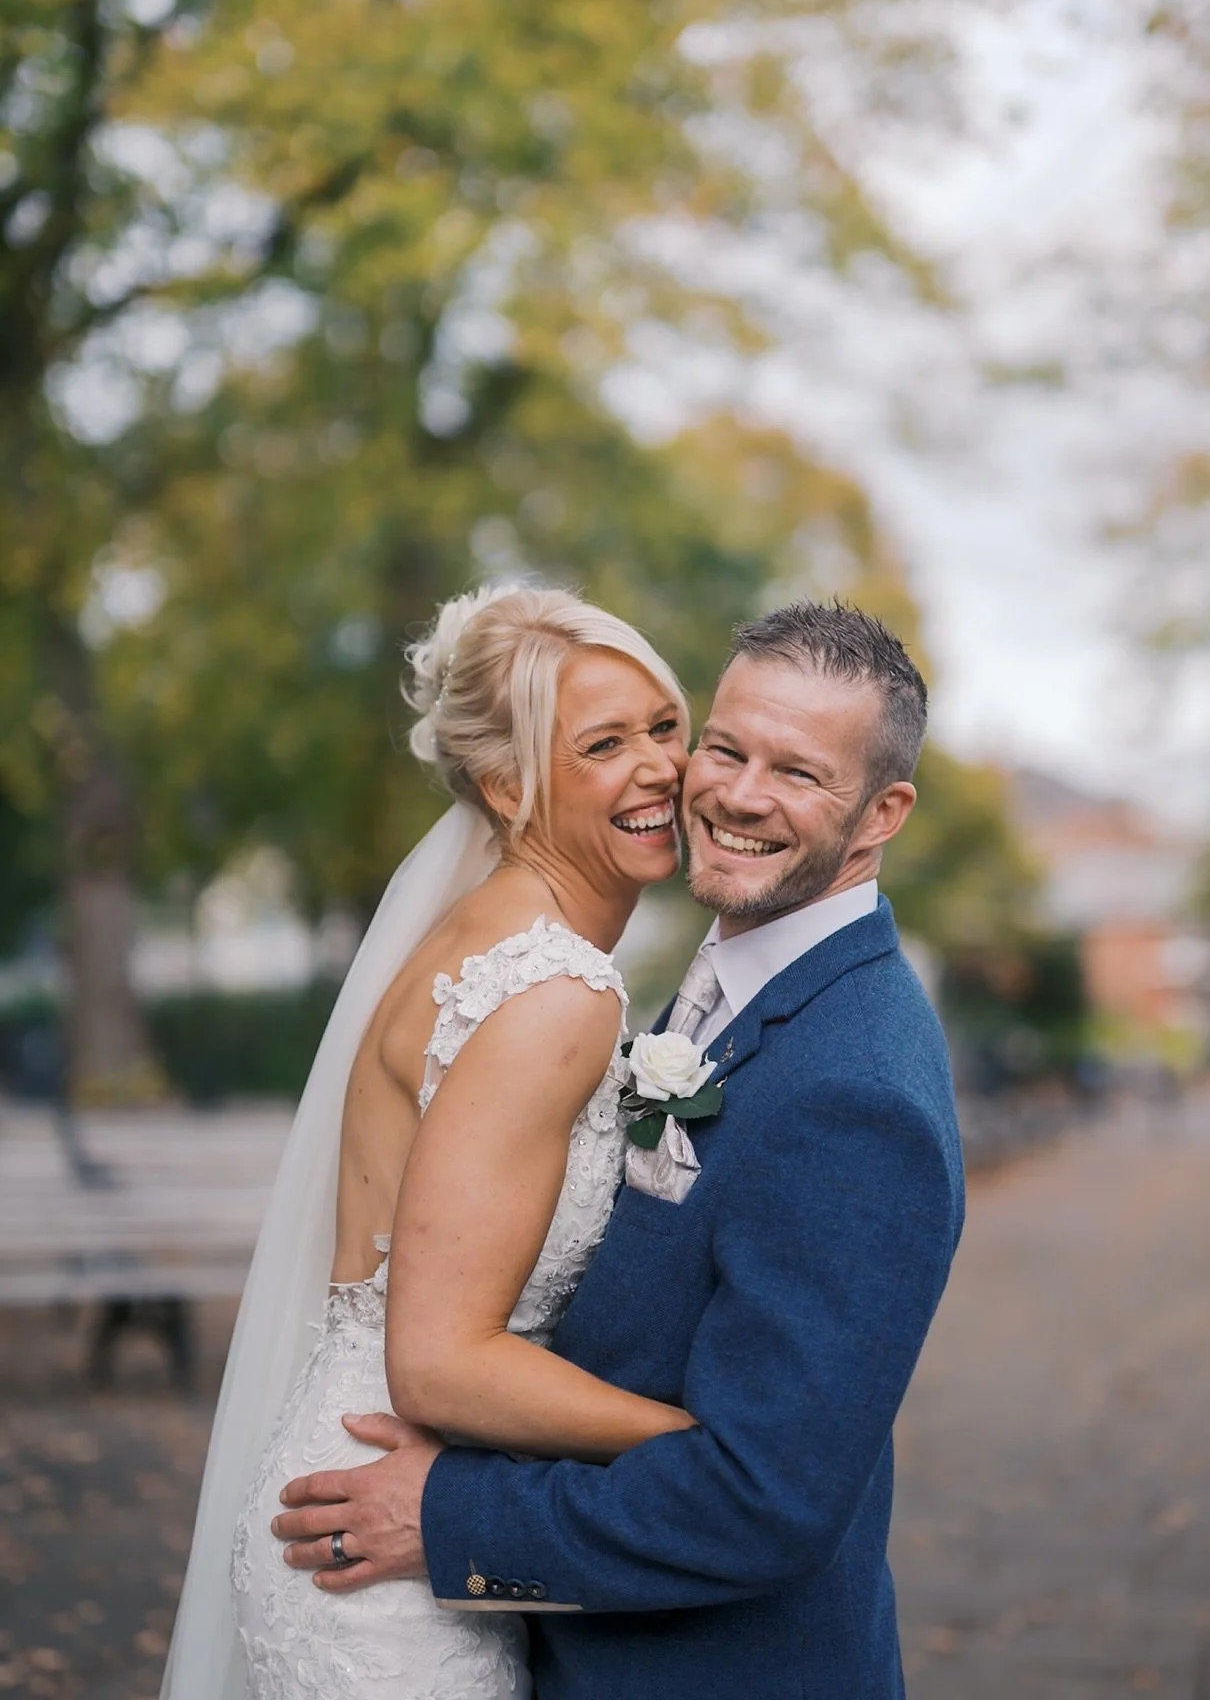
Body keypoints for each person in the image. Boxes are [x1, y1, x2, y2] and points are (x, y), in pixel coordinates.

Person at [273, 600, 966, 1700]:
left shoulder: (857, 1091)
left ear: (882, 813)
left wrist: (454, 1514)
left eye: (798, 774)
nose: (735, 793)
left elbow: (763, 1498)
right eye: (726, 747)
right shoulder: (698, 984)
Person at [162, 585, 697, 1700]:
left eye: (665, 726)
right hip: (385, 1547)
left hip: (367, 1493)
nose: (663, 768)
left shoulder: (484, 939)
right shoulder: (553, 989)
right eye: (605, 744)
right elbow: (443, 1361)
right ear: (510, 788)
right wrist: (700, 1445)